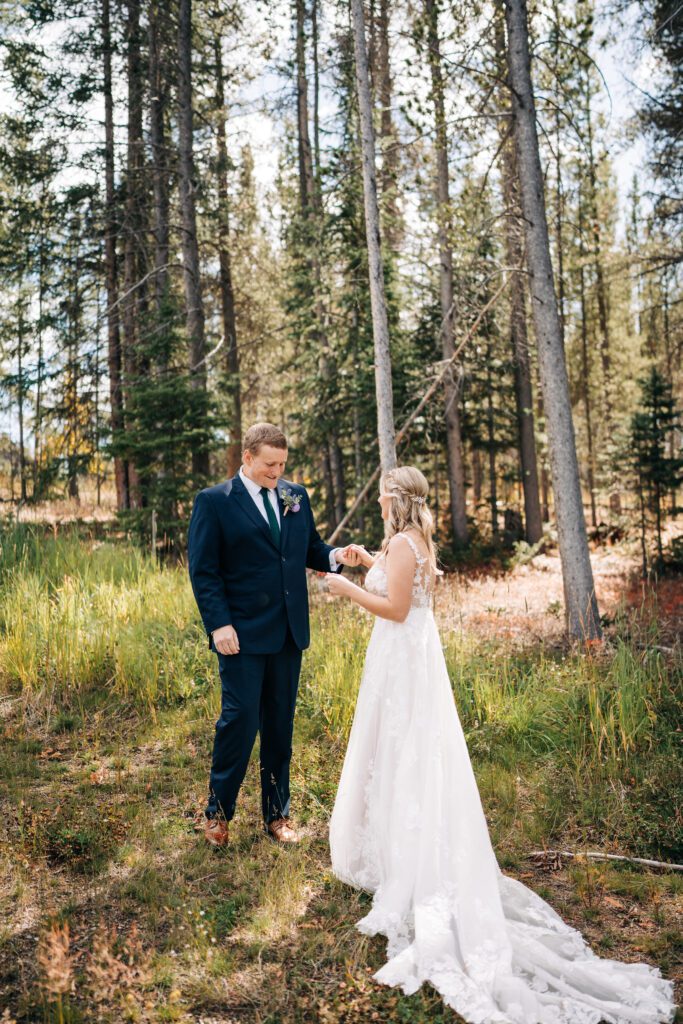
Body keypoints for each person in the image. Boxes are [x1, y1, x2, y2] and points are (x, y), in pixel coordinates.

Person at [325, 465, 676, 1024]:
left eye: (386, 496)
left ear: (395, 501)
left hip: (400, 658)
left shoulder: (402, 542)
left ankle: (406, 859)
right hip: (412, 657)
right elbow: (405, 586)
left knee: (401, 753)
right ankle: (401, 840)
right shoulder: (412, 542)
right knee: (409, 753)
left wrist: (344, 587)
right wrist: (366, 562)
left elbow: (394, 608)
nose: (383, 504)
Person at [187, 422, 360, 847]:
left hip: (287, 632)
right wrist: (218, 623)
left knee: (280, 725)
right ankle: (217, 814)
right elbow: (204, 571)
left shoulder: (294, 496)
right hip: (240, 634)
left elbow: (310, 549)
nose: (277, 472)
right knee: (240, 722)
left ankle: (278, 815)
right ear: (246, 458)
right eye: (269, 464)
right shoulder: (214, 503)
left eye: (282, 464)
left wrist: (337, 555)